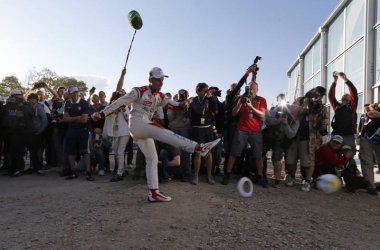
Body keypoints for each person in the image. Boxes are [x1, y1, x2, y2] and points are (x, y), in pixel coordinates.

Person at [92, 67, 220, 202]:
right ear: (150, 80)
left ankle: (153, 192)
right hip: (136, 122)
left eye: (162, 79)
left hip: (144, 126)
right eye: (158, 80)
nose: (161, 82)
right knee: (165, 132)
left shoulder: (160, 96)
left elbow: (173, 104)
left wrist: (183, 104)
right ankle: (199, 147)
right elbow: (120, 102)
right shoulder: (139, 91)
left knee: (152, 158)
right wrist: (101, 113)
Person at [222, 78, 267, 187]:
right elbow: (233, 113)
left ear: (257, 90)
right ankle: (227, 175)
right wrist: (240, 104)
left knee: (258, 155)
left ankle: (260, 177)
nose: (251, 91)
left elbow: (262, 115)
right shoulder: (242, 98)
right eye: (249, 88)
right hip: (242, 129)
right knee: (234, 153)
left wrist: (251, 106)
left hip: (255, 131)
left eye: (253, 89)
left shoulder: (261, 100)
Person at [264, 100, 301, 188]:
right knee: (261, 156)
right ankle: (261, 176)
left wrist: (286, 124)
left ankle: (277, 181)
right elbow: (268, 120)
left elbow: (291, 135)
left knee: (277, 159)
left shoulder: (296, 121)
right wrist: (278, 120)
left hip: (280, 141)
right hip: (269, 136)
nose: (294, 105)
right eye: (293, 103)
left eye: (297, 104)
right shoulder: (280, 109)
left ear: (299, 109)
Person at [61, 85, 94, 181]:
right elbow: (65, 118)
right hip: (71, 131)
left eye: (76, 92)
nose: (75, 94)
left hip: (83, 130)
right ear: (69, 94)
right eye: (72, 93)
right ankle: (73, 172)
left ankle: (88, 173)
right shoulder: (67, 103)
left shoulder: (84, 103)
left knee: (85, 152)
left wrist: (71, 119)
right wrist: (77, 117)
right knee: (71, 152)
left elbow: (84, 120)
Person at [189, 83, 218, 185]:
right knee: (198, 152)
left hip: (208, 129)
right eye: (205, 91)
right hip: (197, 129)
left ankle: (209, 176)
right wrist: (207, 99)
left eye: (207, 91)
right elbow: (199, 110)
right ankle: (196, 176)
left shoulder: (209, 100)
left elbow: (215, 112)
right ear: (198, 91)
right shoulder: (193, 101)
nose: (207, 93)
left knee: (208, 153)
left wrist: (213, 100)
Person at [1, 90, 34, 177]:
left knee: (18, 152)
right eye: (15, 96)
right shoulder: (7, 105)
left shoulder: (25, 105)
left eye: (20, 96)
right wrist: (8, 103)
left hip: (20, 132)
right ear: (11, 97)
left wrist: (22, 105)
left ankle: (18, 169)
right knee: (8, 151)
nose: (18, 98)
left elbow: (31, 113)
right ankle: (10, 168)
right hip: (8, 132)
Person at [328, 72, 358, 152]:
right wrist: (334, 82)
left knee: (349, 154)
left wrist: (346, 80)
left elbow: (354, 92)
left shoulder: (352, 106)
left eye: (347, 95)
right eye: (343, 95)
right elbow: (331, 96)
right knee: (333, 153)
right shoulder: (337, 106)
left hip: (348, 135)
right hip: (336, 134)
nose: (344, 95)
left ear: (350, 99)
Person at [167, 89, 192, 181]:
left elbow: (191, 116)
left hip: (184, 129)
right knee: (175, 153)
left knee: (185, 152)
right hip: (175, 129)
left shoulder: (190, 104)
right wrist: (177, 108)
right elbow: (170, 117)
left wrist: (187, 107)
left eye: (183, 95)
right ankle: (177, 173)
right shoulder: (174, 104)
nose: (182, 97)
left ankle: (186, 173)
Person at [358, 102, 380, 195]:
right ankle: (370, 185)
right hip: (368, 137)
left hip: (378, 141)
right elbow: (370, 114)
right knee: (367, 161)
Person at [26, 93, 48, 175]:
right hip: (30, 132)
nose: (31, 100)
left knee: (38, 152)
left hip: (38, 133)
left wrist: (39, 132)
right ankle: (32, 167)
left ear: (36, 100)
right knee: (32, 151)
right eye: (30, 99)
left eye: (33, 99)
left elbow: (45, 121)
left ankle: (38, 168)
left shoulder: (39, 108)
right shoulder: (27, 108)